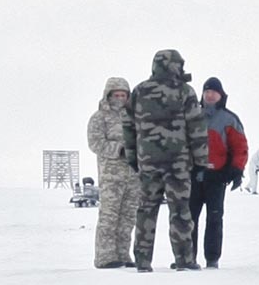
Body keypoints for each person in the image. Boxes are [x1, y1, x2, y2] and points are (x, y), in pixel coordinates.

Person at [123, 49, 209, 272]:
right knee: (180, 211)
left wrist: (133, 158)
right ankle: (184, 259)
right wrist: (201, 161)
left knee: (146, 210)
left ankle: (142, 260)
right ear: (174, 66)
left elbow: (128, 127)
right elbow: (196, 128)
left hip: (148, 163)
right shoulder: (184, 91)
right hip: (177, 164)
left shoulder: (139, 91)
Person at [188, 76, 248, 268]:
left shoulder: (230, 119)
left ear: (220, 95)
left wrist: (235, 171)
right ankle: (187, 258)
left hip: (216, 177)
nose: (210, 95)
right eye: (206, 91)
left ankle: (212, 259)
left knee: (214, 218)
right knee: (189, 219)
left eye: (214, 92)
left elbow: (240, 148)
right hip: (193, 176)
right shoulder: (191, 116)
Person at [87, 76, 142, 267]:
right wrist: (119, 149)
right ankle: (105, 257)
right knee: (109, 217)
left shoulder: (136, 117)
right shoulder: (99, 117)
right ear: (108, 95)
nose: (119, 98)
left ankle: (122, 255)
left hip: (133, 176)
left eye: (123, 95)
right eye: (116, 94)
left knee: (128, 218)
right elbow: (95, 143)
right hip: (111, 176)